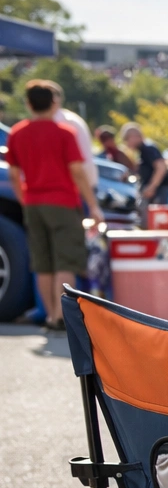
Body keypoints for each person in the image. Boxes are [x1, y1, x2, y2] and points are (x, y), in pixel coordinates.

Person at [4, 81, 104, 331]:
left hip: (33, 203)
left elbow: (14, 173)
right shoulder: (64, 133)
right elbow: (77, 172)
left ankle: (49, 315)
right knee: (66, 262)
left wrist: (23, 198)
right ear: (55, 102)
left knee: (43, 263)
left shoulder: (17, 132)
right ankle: (61, 317)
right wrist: (93, 206)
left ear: (28, 104)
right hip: (63, 203)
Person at [47, 83, 97, 197]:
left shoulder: (64, 122)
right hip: (79, 185)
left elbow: (75, 164)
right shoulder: (68, 118)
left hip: (77, 188)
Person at [119, 123, 168, 213]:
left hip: (160, 192)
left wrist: (151, 187)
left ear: (134, 136)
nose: (126, 143)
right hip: (154, 193)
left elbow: (161, 168)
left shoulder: (148, 148)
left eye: (127, 139)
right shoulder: (142, 151)